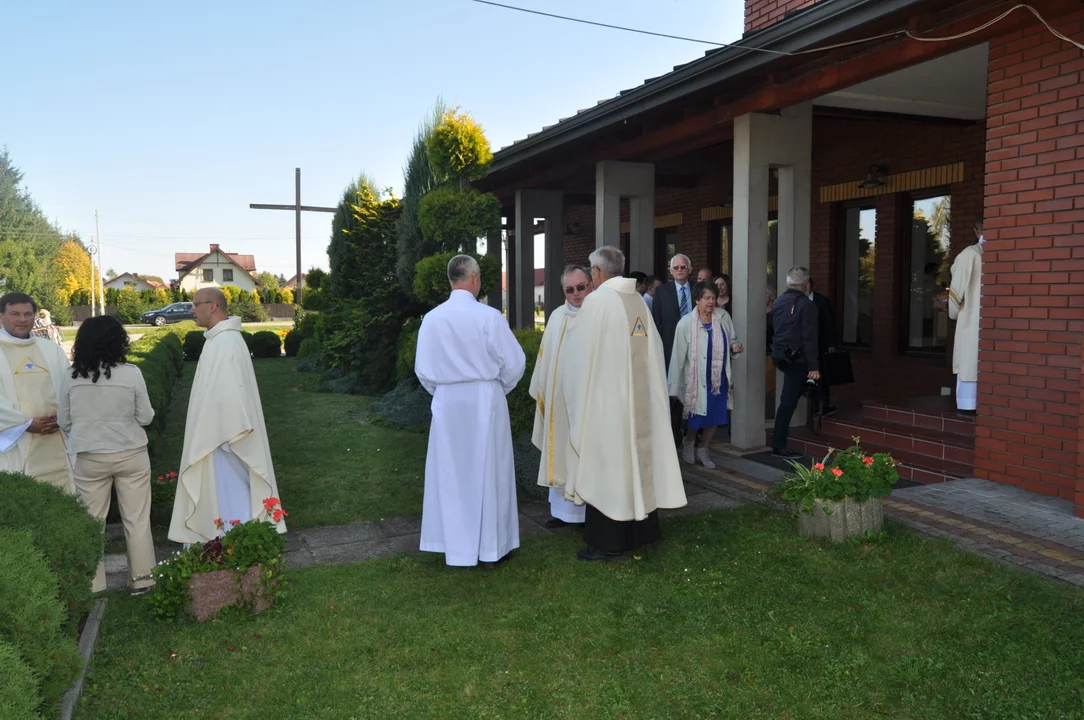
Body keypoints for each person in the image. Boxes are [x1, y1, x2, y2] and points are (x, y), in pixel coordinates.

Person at [562, 246, 687, 561]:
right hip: (639, 404)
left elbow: (575, 358)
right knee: (636, 464)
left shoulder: (597, 303)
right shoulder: (639, 303)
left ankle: (608, 542)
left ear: (597, 273)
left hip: (609, 407)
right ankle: (643, 532)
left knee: (609, 468)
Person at [415, 255, 526, 567]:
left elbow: (423, 370)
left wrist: (446, 391)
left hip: (448, 402)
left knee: (452, 474)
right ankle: (490, 549)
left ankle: (456, 548)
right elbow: (514, 363)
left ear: (452, 280)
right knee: (490, 471)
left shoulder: (432, 319)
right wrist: (495, 388)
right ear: (474, 279)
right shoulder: (489, 317)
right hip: (484, 400)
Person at [168, 288, 286, 544]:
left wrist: (219, 436)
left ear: (213, 306)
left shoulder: (226, 342)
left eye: (195, 304)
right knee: (221, 497)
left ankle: (235, 548)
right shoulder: (217, 340)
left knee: (230, 497)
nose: (191, 310)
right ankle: (225, 547)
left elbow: (229, 397)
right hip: (216, 437)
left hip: (224, 440)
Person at [58, 315, 156, 595]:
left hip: (90, 456)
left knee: (91, 523)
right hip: (131, 454)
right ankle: (143, 580)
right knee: (136, 520)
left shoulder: (70, 376)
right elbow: (146, 417)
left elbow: (64, 421)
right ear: (119, 341)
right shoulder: (132, 373)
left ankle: (93, 586)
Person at [529, 265, 592, 529]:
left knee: (586, 455)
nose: (576, 294)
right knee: (560, 450)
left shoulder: (600, 315)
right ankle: (563, 513)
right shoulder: (556, 317)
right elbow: (546, 360)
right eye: (570, 290)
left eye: (581, 287)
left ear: (591, 284)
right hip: (560, 402)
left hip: (590, 402)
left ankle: (590, 514)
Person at [0, 292, 73, 491]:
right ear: (1, 317)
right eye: (15, 314)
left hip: (57, 437)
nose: (22, 320)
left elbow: (71, 389)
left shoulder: (52, 349)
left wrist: (63, 416)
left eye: (28, 314)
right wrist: (26, 424)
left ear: (35, 317)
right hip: (15, 442)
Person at [668, 282, 744, 468]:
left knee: (716, 415)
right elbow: (677, 357)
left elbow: (732, 339)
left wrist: (735, 346)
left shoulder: (723, 317)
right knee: (697, 415)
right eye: (706, 298)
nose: (711, 302)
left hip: (718, 378)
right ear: (697, 300)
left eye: (713, 298)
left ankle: (704, 448)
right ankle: (689, 442)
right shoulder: (685, 323)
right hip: (696, 379)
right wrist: (673, 386)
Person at [770, 267, 819, 460]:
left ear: (787, 283)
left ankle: (779, 443)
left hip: (781, 356)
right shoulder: (807, 306)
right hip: (798, 360)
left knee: (788, 399)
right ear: (807, 285)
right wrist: (814, 367)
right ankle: (779, 446)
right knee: (788, 402)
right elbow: (809, 338)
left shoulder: (779, 302)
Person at [650, 254, 695, 451]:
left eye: (683, 267)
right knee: (673, 393)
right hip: (670, 350)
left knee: (694, 391)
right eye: (675, 267)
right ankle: (674, 433)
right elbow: (656, 323)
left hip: (695, 348)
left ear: (689, 269)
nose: (679, 270)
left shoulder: (698, 290)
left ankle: (692, 435)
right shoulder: (661, 291)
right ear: (670, 271)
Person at [947, 218, 983, 414]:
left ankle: (968, 405)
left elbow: (956, 293)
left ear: (976, 231)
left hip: (972, 320)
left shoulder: (970, 255)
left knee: (970, 360)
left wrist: (952, 311)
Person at [807, 278, 838, 416]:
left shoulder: (822, 301)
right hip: (805, 346)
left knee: (822, 376)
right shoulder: (797, 301)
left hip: (821, 344)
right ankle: (810, 406)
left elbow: (829, 322)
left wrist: (832, 343)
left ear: (812, 286)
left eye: (808, 284)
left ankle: (823, 404)